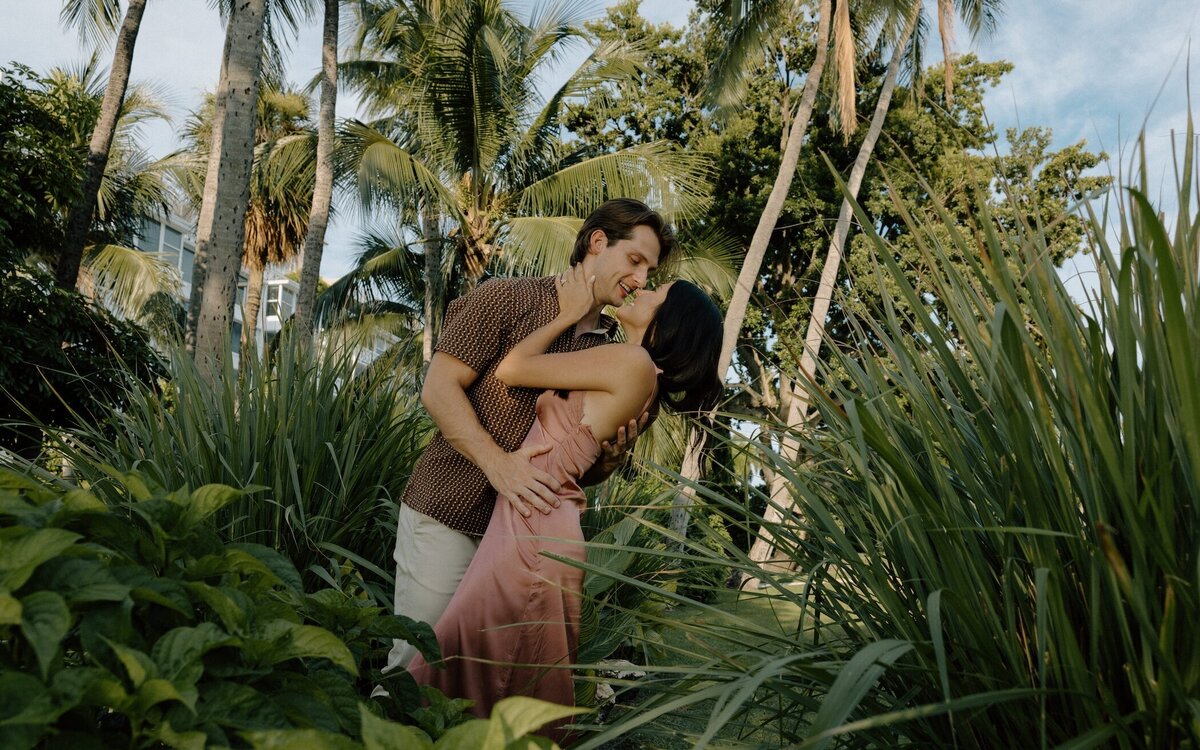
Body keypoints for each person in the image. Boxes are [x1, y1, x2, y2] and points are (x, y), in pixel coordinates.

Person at [407, 267, 723, 743]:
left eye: (660, 291)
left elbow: (512, 369)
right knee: (495, 678)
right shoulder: (639, 375)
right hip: (542, 518)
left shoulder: (631, 365)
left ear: (669, 322)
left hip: (533, 526)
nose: (645, 286)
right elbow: (580, 451)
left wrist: (568, 313)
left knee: (455, 665)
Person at [383, 199, 676, 674]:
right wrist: (499, 465)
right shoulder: (507, 299)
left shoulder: (609, 352)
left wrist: (607, 463)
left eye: (649, 270)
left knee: (480, 685)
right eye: (635, 261)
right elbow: (437, 390)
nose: (641, 280)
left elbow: (574, 468)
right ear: (598, 242)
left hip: (522, 541)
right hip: (448, 514)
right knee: (417, 669)